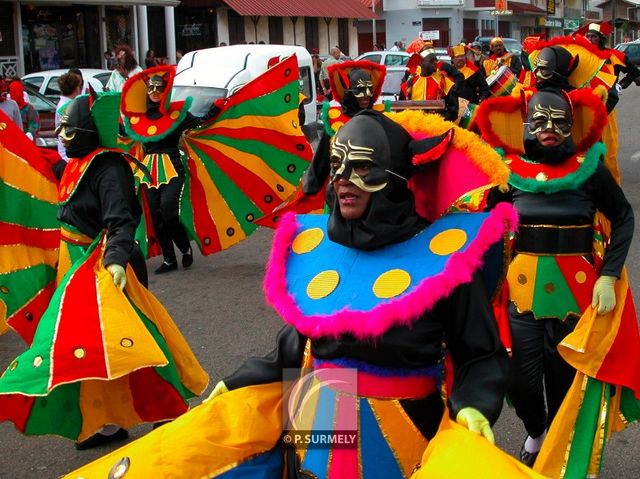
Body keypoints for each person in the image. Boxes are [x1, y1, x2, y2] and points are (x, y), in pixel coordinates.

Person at [65, 109, 515, 478]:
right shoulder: (317, 250)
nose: (343, 180)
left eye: (362, 168)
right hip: (316, 425)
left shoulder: (444, 261)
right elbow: (296, 346)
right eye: (337, 166)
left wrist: (474, 407)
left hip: (401, 437)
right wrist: (239, 379)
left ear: (395, 177)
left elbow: (479, 355)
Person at [0, 91, 208, 449]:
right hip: (76, 265)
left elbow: (121, 220)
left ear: (84, 132)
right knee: (86, 345)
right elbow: (51, 174)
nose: (62, 136)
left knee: (135, 342)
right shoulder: (78, 164)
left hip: (106, 268)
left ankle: (165, 409)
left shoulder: (108, 167)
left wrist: (114, 262)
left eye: (68, 130)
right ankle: (107, 421)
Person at [477, 88, 634, 468]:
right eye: (541, 120)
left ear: (570, 125)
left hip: (576, 295)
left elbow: (624, 217)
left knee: (564, 381)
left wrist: (608, 276)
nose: (549, 129)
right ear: (528, 124)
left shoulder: (589, 167)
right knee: (521, 381)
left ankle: (561, 455)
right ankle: (536, 430)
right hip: (522, 294)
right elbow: (483, 223)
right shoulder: (509, 171)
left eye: (558, 121)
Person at [120, 66, 217, 273]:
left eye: (159, 89)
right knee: (156, 216)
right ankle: (169, 259)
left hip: (173, 166)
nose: (155, 92)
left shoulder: (177, 113)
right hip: (148, 170)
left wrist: (215, 110)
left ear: (165, 91)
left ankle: (184, 248)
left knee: (169, 212)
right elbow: (124, 135)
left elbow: (198, 124)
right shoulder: (140, 117)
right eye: (151, 89)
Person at [303, 60, 387, 197]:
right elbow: (322, 159)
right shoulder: (335, 120)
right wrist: (310, 190)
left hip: (373, 191)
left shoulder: (380, 116)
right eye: (359, 90)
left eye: (369, 89)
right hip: (341, 190)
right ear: (349, 92)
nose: (366, 94)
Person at [401, 49, 462, 122]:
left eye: (436, 60)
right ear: (421, 62)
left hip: (436, 127)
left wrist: (438, 120)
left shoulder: (444, 82)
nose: (435, 63)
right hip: (413, 127)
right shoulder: (410, 82)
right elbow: (401, 108)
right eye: (431, 61)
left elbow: (453, 110)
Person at [55, 71, 83, 162]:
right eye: (79, 86)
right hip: (68, 153)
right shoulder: (68, 106)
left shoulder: (64, 103)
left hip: (66, 150)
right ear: (75, 88)